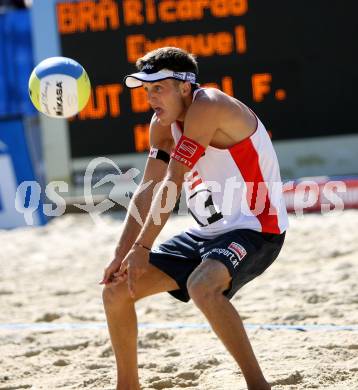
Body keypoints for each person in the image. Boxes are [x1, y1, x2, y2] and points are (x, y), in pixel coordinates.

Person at [100, 46, 288, 390]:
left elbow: (173, 182)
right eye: (146, 90)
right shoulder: (161, 124)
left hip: (258, 228)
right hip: (209, 234)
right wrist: (121, 252)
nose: (150, 98)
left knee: (202, 286)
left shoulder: (210, 105)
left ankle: (258, 385)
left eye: (158, 88)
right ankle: (127, 387)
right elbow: (146, 190)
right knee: (115, 291)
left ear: (185, 86)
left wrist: (143, 246)